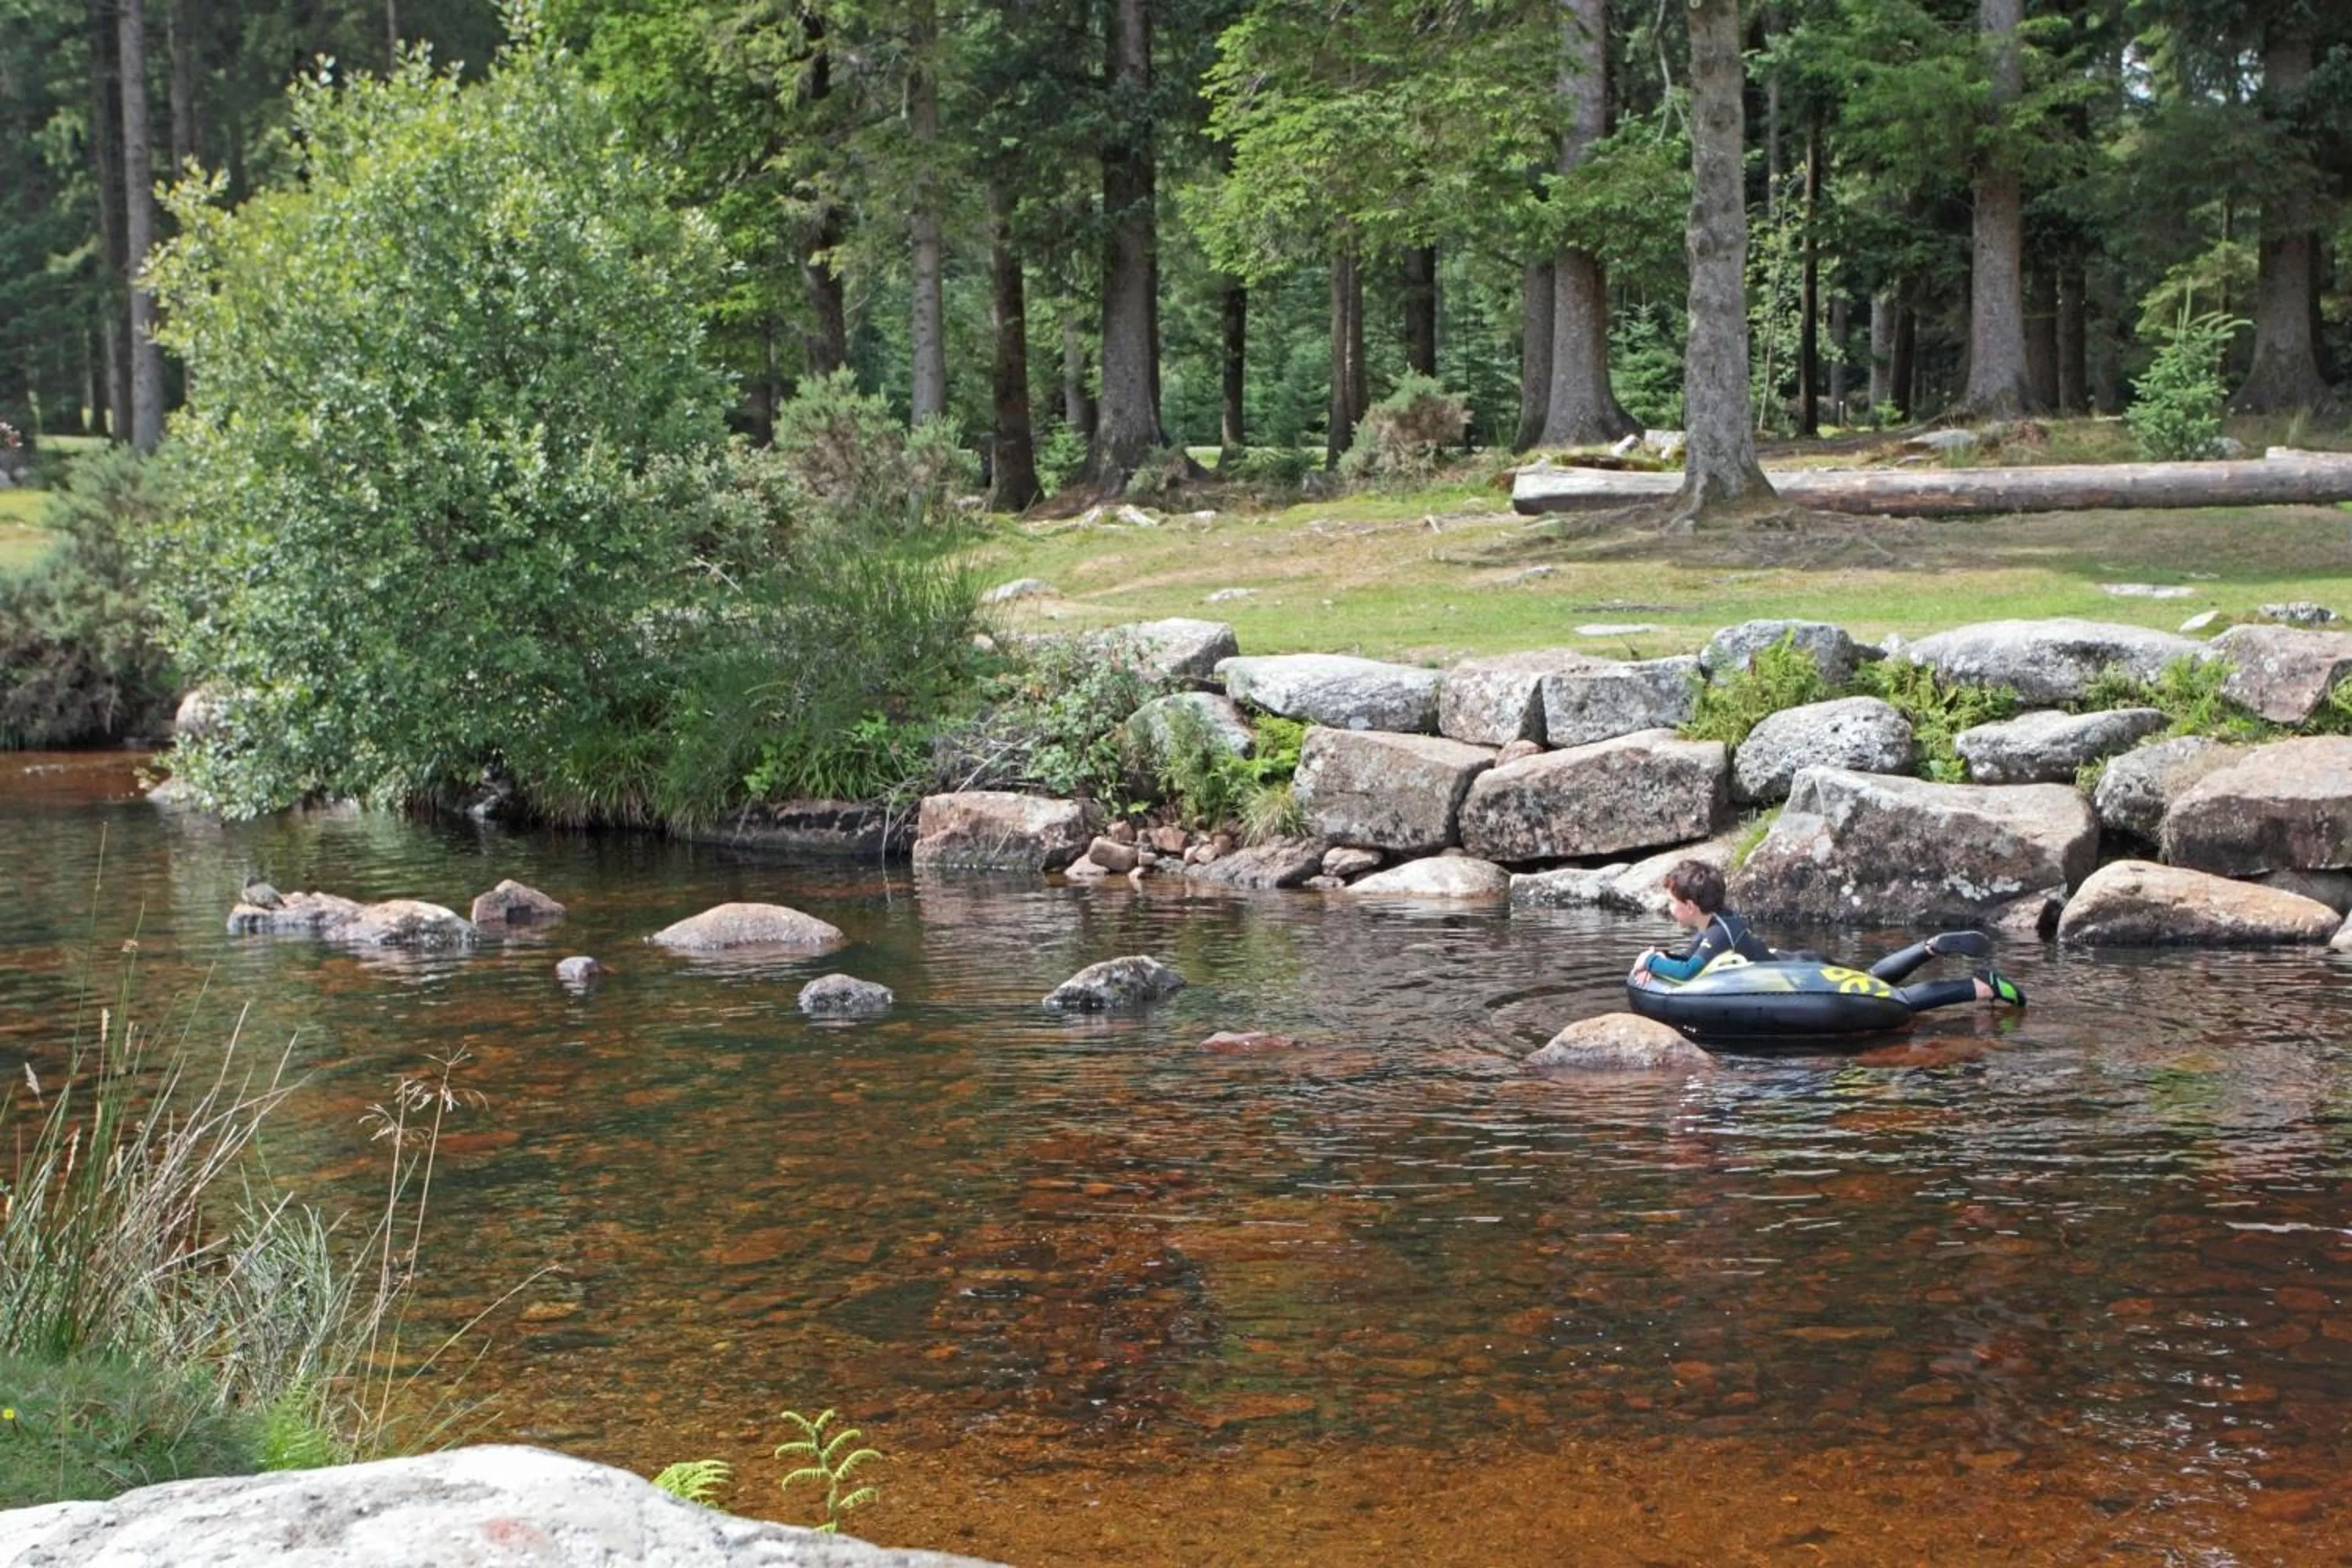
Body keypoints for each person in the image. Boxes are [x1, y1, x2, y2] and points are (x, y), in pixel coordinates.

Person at [1628, 858, 2026, 1008]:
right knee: (1871, 980)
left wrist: (1650, 960)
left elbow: (1686, 973)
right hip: (1799, 964)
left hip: (1804, 979)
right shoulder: (1719, 922)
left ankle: (1981, 986)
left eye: (1672, 901)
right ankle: (1931, 948)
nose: (1669, 907)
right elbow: (1694, 963)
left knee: (1893, 1000)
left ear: (1691, 907)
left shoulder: (1716, 936)